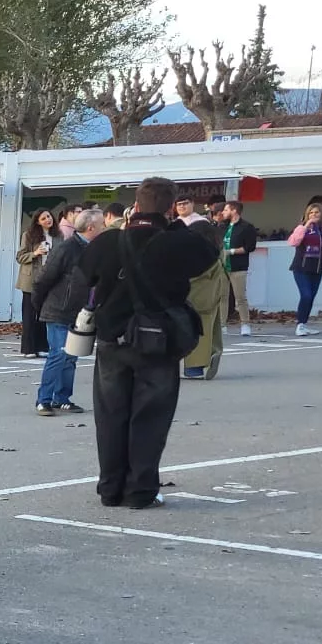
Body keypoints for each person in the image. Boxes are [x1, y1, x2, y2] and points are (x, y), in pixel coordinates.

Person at [78, 176, 217, 509]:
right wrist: (174, 227)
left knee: (110, 415)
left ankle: (110, 488)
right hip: (158, 340)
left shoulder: (107, 242)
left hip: (112, 339)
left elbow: (83, 278)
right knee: (151, 417)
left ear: (135, 205)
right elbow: (208, 256)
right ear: (171, 209)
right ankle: (141, 490)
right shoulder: (178, 241)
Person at [31, 210, 92, 414]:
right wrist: (39, 305)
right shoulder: (67, 248)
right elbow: (44, 278)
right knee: (58, 354)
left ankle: (62, 398)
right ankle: (44, 400)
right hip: (58, 308)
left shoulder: (92, 249)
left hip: (78, 310)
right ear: (91, 227)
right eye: (101, 225)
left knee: (71, 356)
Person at [181, 209, 229, 381]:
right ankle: (214, 352)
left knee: (194, 331)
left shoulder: (195, 253)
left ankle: (193, 368)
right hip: (213, 294)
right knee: (211, 329)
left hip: (194, 296)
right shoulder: (218, 250)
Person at [14, 210, 58, 357]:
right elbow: (20, 256)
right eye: (43, 218)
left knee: (43, 314)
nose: (47, 220)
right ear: (37, 221)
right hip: (31, 279)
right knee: (29, 315)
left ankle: (42, 346)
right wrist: (35, 253)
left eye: (49, 217)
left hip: (49, 278)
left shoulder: (58, 236)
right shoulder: (28, 235)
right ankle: (28, 348)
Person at [286, 201, 322, 336]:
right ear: (306, 215)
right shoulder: (301, 227)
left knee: (311, 297)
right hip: (301, 268)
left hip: (317, 268)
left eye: (316, 212)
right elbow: (294, 242)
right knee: (305, 295)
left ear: (321, 214)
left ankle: (303, 323)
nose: (314, 215)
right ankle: (299, 325)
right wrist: (306, 225)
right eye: (311, 213)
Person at [220, 200, 258, 336]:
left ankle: (245, 324)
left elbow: (250, 247)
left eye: (226, 210)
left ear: (234, 210)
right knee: (222, 297)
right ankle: (222, 324)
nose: (223, 213)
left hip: (238, 266)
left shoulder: (246, 227)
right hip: (222, 266)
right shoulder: (222, 226)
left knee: (240, 297)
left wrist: (232, 251)